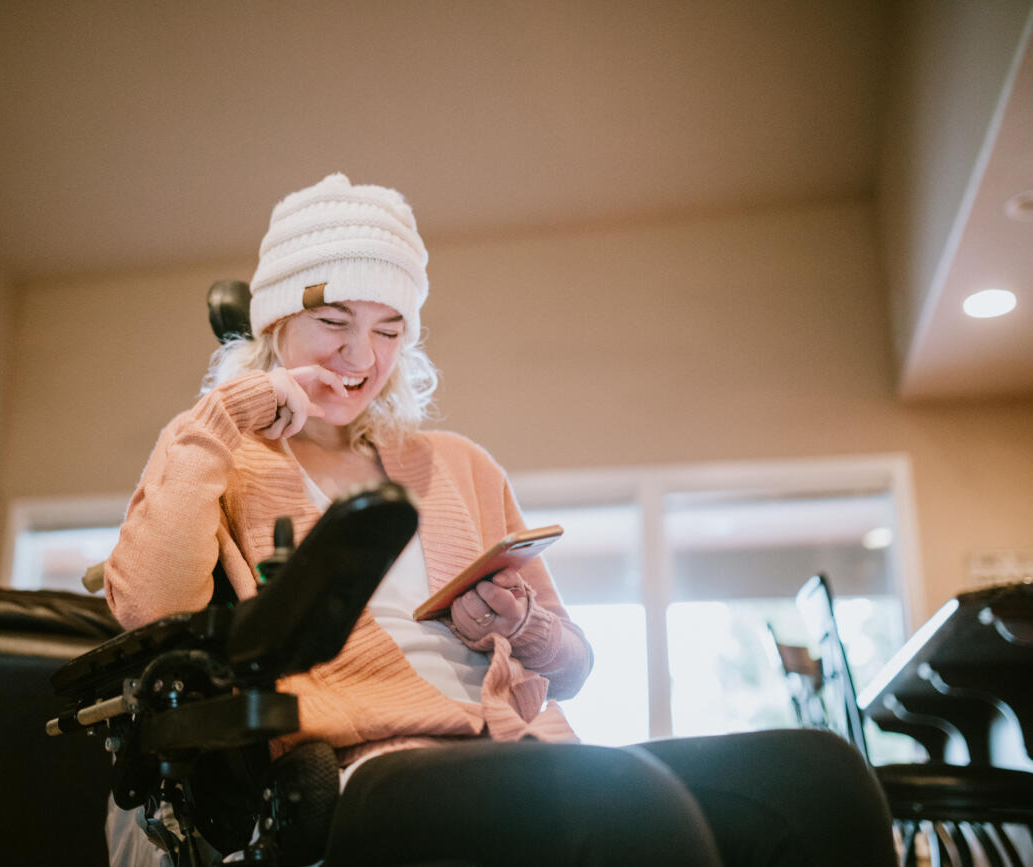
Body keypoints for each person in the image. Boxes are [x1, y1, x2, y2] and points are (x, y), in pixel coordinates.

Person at [103, 173, 896, 866]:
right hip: (365, 769)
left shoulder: (460, 465)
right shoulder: (223, 459)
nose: (360, 357)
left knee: (819, 778)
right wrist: (227, 411)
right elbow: (149, 609)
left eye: (388, 330)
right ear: (276, 323)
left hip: (523, 744)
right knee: (617, 800)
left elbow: (576, 666)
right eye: (334, 322)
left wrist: (522, 626)